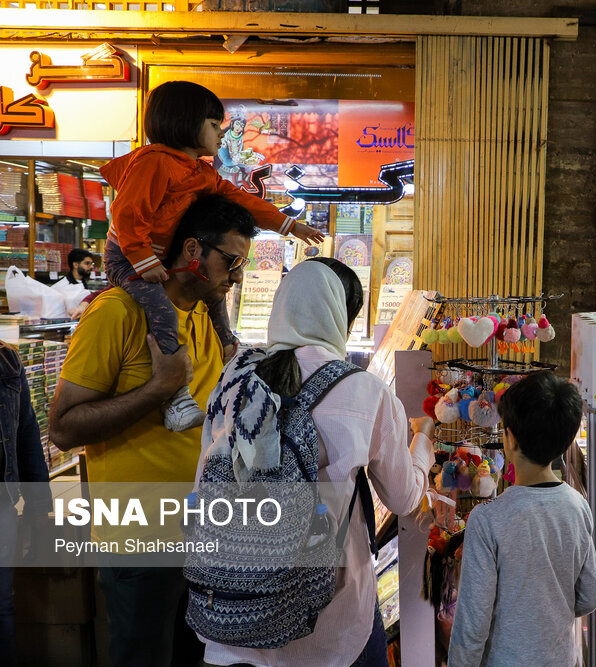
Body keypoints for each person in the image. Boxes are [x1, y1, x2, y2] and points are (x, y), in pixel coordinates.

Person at [48, 195, 259, 667]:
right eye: (231, 260)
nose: (238, 275)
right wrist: (157, 388)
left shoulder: (206, 314)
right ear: (192, 251)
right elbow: (62, 428)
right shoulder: (116, 314)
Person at [198, 258, 435, 667]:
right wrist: (423, 442)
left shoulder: (234, 378)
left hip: (232, 619)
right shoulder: (365, 391)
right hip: (331, 627)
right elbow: (403, 497)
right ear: (338, 316)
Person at [99, 80, 324, 433]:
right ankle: (175, 398)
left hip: (155, 258)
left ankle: (228, 346)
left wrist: (287, 225)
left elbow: (241, 199)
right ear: (187, 122)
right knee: (162, 314)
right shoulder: (153, 163)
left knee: (215, 297)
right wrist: (144, 261)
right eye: (214, 125)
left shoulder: (200, 172)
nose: (222, 134)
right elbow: (127, 216)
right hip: (126, 259)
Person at [448, 371, 596, 667]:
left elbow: (472, 625)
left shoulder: (487, 520)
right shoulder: (578, 506)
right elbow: (589, 597)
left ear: (511, 440)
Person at [0, 340, 53, 666]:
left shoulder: (7, 361)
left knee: (2, 604)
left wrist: (38, 509)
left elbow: (27, 435)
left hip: (3, 501)